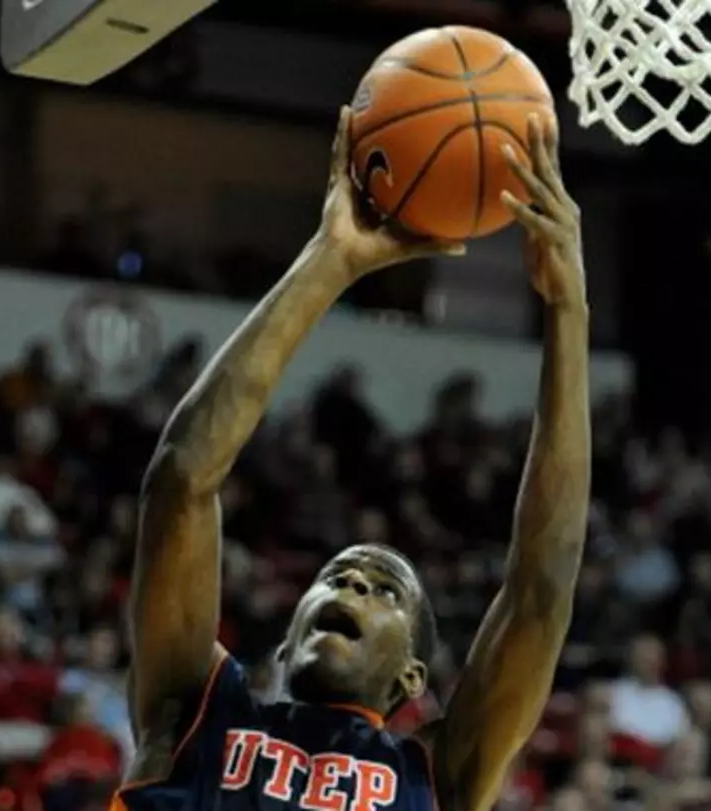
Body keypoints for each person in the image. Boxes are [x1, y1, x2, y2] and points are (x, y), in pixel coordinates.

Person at [114, 108, 590, 811]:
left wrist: (567, 309)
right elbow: (181, 481)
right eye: (340, 576)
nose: (355, 586)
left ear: (410, 677)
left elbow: (540, 590)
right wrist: (329, 258)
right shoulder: (197, 711)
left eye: (384, 590)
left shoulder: (435, 774)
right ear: (285, 641)